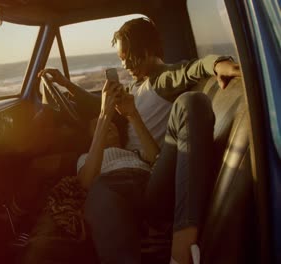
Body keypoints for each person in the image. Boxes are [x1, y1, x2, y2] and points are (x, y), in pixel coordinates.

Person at [22, 17, 241, 264]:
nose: (123, 63)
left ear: (145, 51)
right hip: (135, 170)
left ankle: (181, 251)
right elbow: (100, 106)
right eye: (121, 58)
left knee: (192, 102)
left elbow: (192, 67)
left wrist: (219, 63)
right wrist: (66, 84)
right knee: (99, 189)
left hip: (155, 171)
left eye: (126, 56)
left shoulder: (162, 78)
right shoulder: (138, 86)